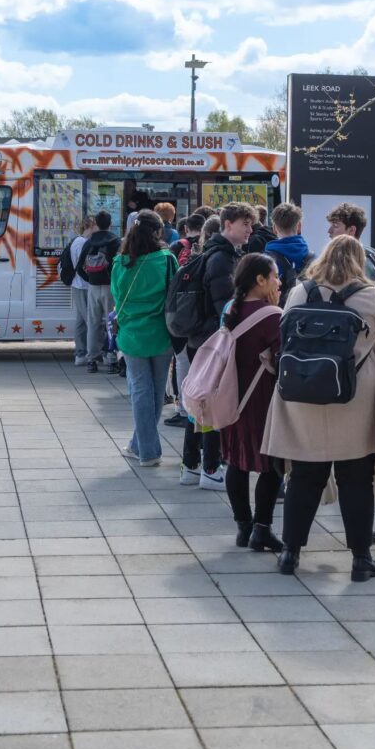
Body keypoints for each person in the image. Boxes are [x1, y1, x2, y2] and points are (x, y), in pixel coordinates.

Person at [262, 235, 375, 579]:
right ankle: (360, 560)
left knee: (303, 478)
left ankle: (289, 554)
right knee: (356, 479)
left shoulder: (299, 291)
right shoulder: (371, 297)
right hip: (353, 401)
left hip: (303, 397)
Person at [181, 202, 257, 490]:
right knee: (210, 404)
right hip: (213, 340)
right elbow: (226, 308)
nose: (250, 229)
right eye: (245, 224)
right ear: (228, 225)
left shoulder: (213, 252)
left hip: (200, 338)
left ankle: (191, 465)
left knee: (198, 402)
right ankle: (211, 467)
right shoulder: (223, 259)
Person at [220, 253, 284, 552]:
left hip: (232, 397)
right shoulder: (271, 316)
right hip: (263, 399)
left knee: (236, 462)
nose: (278, 281)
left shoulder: (232, 308)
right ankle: (262, 528)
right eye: (274, 276)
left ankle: (243, 527)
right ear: (260, 280)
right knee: (271, 465)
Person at [112, 210, 179, 465]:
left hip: (131, 334)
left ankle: (143, 448)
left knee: (141, 390)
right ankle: (145, 448)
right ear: (158, 232)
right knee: (156, 390)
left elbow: (116, 298)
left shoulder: (120, 262)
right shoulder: (167, 259)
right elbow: (175, 294)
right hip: (162, 333)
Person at [77, 210, 121, 374]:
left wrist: (90, 280)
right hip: (111, 287)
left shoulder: (89, 242)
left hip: (93, 288)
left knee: (93, 323)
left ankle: (91, 360)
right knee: (112, 324)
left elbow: (79, 267)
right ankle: (111, 359)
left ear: (96, 223)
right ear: (110, 224)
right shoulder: (115, 241)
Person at [265, 202, 313, 301]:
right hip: (306, 314)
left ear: (274, 228)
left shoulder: (266, 259)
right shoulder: (314, 259)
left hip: (278, 312)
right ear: (299, 226)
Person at [326, 202, 375, 281]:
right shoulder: (374, 254)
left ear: (351, 230)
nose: (329, 231)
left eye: (335, 226)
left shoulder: (362, 259)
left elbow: (370, 290)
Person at [70, 216, 95, 367]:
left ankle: (80, 353)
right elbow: (82, 265)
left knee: (81, 321)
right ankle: (90, 353)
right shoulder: (82, 243)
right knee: (89, 320)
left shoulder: (78, 241)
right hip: (83, 285)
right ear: (90, 226)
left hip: (79, 285)